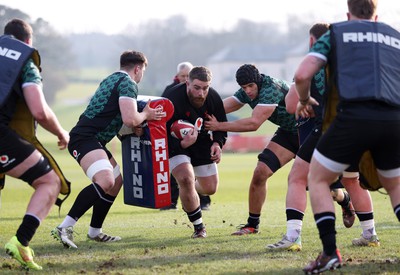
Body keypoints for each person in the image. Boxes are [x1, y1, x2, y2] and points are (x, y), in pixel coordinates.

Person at [294, 0, 400, 273]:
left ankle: (330, 252)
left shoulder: (337, 33)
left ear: (348, 14)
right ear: (376, 16)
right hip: (393, 119)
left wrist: (304, 100)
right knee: (395, 186)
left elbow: (302, 74)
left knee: (317, 178)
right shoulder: (393, 35)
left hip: (353, 116)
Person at [266, 22, 378, 251]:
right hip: (358, 126)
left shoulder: (314, 60)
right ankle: (370, 234)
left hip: (329, 127)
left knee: (297, 178)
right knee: (351, 180)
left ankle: (293, 236)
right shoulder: (351, 61)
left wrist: (303, 98)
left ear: (311, 41)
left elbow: (289, 105)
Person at [51, 50, 165, 248]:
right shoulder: (129, 83)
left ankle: (95, 231)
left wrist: (133, 126)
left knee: (116, 182)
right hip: (85, 138)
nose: (141, 75)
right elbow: (130, 118)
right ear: (138, 69)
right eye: (143, 71)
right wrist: (145, 114)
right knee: (106, 180)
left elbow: (112, 116)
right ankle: (65, 227)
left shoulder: (111, 79)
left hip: (92, 138)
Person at [0, 19, 70, 270]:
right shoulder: (24, 59)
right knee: (49, 182)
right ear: (28, 41)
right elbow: (39, 111)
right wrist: (62, 132)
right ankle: (21, 241)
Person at [205, 64, 300, 236]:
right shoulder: (247, 90)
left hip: (308, 132)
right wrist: (198, 111)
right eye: (244, 87)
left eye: (251, 86)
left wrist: (219, 125)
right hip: (288, 134)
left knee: (326, 185)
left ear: (257, 82)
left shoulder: (271, 89)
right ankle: (252, 224)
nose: (248, 91)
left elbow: (254, 123)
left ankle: (345, 201)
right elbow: (224, 106)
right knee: (260, 172)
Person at [162, 66, 227, 238]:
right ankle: (199, 227)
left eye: (205, 88)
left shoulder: (213, 97)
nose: (201, 93)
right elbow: (159, 132)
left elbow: (221, 125)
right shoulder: (171, 98)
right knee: (185, 178)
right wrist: (182, 143)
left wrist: (218, 143)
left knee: (210, 189)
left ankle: (188, 192)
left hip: (202, 143)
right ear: (187, 83)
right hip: (176, 145)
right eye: (197, 87)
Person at [160, 61, 212, 211]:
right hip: (177, 139)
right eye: (182, 75)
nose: (184, 78)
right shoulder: (170, 91)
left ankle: (204, 201)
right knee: (176, 172)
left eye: (187, 76)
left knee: (197, 171)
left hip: (197, 135)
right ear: (177, 76)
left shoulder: (201, 92)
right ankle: (170, 202)